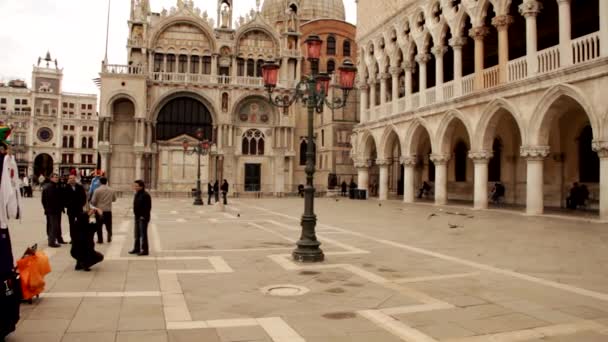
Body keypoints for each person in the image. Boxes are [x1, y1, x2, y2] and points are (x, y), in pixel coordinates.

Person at [70, 207, 104, 271]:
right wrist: (100, 214)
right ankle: (86, 264)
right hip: (86, 252)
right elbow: (99, 224)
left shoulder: (76, 224)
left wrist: (88, 214)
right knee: (100, 256)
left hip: (74, 252)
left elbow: (81, 218)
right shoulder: (90, 227)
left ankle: (79, 264)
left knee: (80, 248)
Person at [90, 177, 117, 243]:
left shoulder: (97, 190)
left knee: (99, 225)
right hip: (108, 210)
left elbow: (93, 201)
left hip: (99, 210)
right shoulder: (111, 190)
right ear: (106, 182)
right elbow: (114, 199)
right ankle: (109, 237)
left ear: (100, 182)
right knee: (108, 225)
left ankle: (100, 239)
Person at [42, 173, 65, 247]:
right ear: (51, 178)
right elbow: (50, 200)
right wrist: (48, 208)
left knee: (51, 225)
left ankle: (53, 239)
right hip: (53, 210)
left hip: (53, 210)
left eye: (57, 177)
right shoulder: (50, 187)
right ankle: (52, 242)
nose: (56, 179)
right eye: (55, 177)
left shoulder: (55, 186)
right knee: (54, 226)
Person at [129, 180, 151, 256]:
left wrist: (143, 216)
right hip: (137, 217)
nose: (135, 187)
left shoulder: (146, 195)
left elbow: (148, 207)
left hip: (143, 218)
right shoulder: (137, 194)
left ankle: (145, 250)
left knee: (143, 234)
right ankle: (136, 248)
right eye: (134, 186)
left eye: (136, 186)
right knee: (136, 234)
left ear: (141, 187)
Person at [64, 174, 87, 244]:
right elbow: (63, 198)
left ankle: (80, 238)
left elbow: (84, 197)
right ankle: (73, 239)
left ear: (75, 179)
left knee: (80, 224)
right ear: (69, 179)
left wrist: (81, 204)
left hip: (79, 209)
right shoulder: (66, 188)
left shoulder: (80, 187)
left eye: (73, 178)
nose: (72, 180)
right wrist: (67, 205)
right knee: (72, 225)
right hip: (70, 209)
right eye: (70, 178)